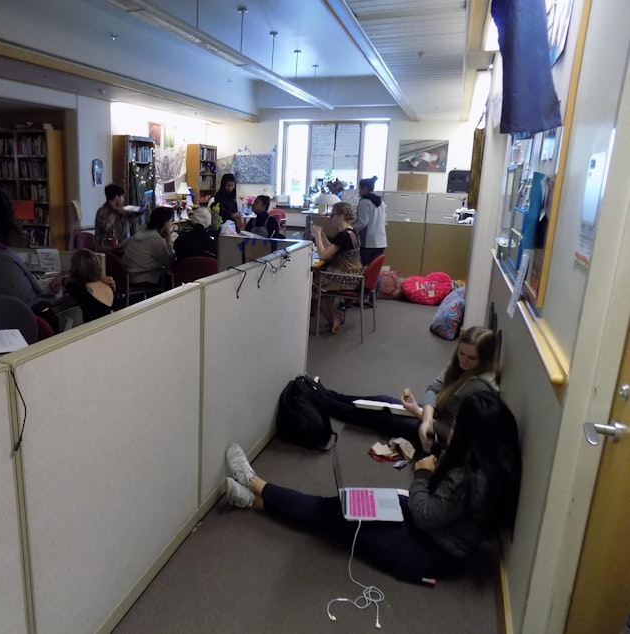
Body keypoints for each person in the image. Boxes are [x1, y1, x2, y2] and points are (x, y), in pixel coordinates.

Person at [223, 391, 522, 583]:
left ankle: (253, 482)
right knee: (344, 507)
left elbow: (425, 515)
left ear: (472, 435)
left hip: (426, 552)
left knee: (332, 516)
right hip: (434, 534)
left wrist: (421, 474)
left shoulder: (467, 478)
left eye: (457, 426)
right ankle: (253, 499)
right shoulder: (493, 463)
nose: (451, 430)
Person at [322, 326, 499, 453]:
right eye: (461, 353)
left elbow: (455, 437)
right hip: (432, 418)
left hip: (437, 437)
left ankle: (319, 398)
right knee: (381, 400)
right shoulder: (461, 367)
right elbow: (434, 388)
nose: (464, 360)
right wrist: (426, 417)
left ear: (484, 359)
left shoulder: (477, 389)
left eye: (471, 358)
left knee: (376, 414)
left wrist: (421, 416)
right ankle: (324, 393)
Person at [311, 202, 363, 334]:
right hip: (355, 275)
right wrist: (323, 236)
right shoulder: (352, 232)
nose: (330, 218)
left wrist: (317, 235)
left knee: (316, 285)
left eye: (332, 215)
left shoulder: (343, 236)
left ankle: (334, 317)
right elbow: (331, 250)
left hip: (347, 277)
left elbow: (323, 255)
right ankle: (334, 316)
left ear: (340, 216)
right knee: (320, 284)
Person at [122, 206, 176, 285]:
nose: (171, 225)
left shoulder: (142, 231)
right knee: (171, 278)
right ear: (164, 223)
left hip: (128, 275)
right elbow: (170, 263)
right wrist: (168, 242)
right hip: (142, 277)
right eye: (170, 221)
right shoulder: (155, 239)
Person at [64, 249, 118, 324]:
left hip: (96, 332)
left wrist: (60, 278)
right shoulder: (109, 284)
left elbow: (66, 281)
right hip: (116, 327)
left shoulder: (79, 289)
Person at [353, 176, 387, 266]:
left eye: (360, 188)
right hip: (381, 242)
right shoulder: (382, 203)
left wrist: (349, 228)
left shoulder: (364, 202)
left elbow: (362, 223)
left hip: (368, 243)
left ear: (365, 188)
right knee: (374, 271)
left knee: (362, 270)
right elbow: (385, 222)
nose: (359, 191)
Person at [94, 183, 130, 250]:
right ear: (116, 197)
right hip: (107, 250)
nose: (123, 200)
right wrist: (116, 212)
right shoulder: (102, 211)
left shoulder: (120, 210)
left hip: (121, 248)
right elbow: (105, 227)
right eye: (122, 196)